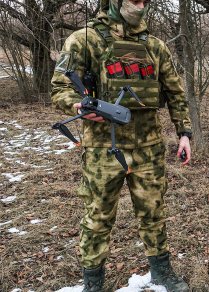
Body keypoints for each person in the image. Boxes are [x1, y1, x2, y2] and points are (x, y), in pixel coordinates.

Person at [51, 0, 192, 290]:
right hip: (103, 149)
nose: (139, 6)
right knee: (97, 217)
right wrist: (77, 103)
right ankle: (93, 281)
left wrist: (184, 133)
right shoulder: (84, 39)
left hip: (149, 147)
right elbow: (59, 88)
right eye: (133, 0)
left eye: (143, 1)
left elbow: (176, 93)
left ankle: (162, 273)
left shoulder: (155, 46)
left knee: (153, 213)